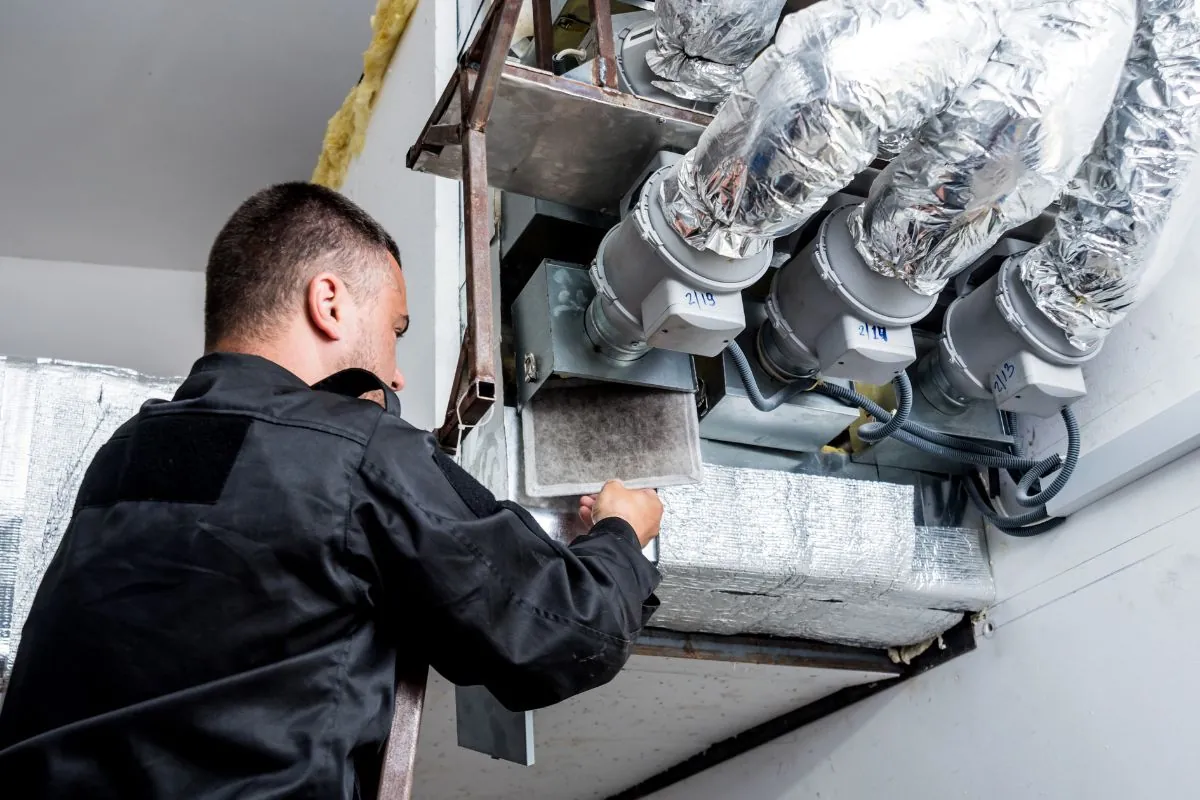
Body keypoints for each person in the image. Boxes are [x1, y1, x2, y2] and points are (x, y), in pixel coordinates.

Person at [0, 182, 664, 799]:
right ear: (330, 302)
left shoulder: (123, 455)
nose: (398, 376)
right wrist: (622, 534)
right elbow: (563, 630)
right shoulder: (350, 448)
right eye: (395, 330)